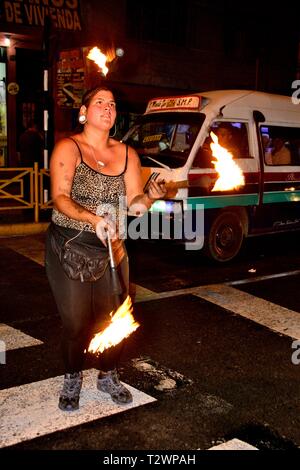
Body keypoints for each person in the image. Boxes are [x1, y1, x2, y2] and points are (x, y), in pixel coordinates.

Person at [45, 86, 167, 412]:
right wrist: (92, 218)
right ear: (84, 112)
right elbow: (60, 197)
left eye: (112, 103)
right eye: (99, 102)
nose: (107, 107)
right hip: (70, 246)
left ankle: (108, 374)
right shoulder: (68, 148)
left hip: (113, 249)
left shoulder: (127, 154)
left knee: (115, 319)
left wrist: (151, 196)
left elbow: (135, 205)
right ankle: (72, 377)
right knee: (75, 322)